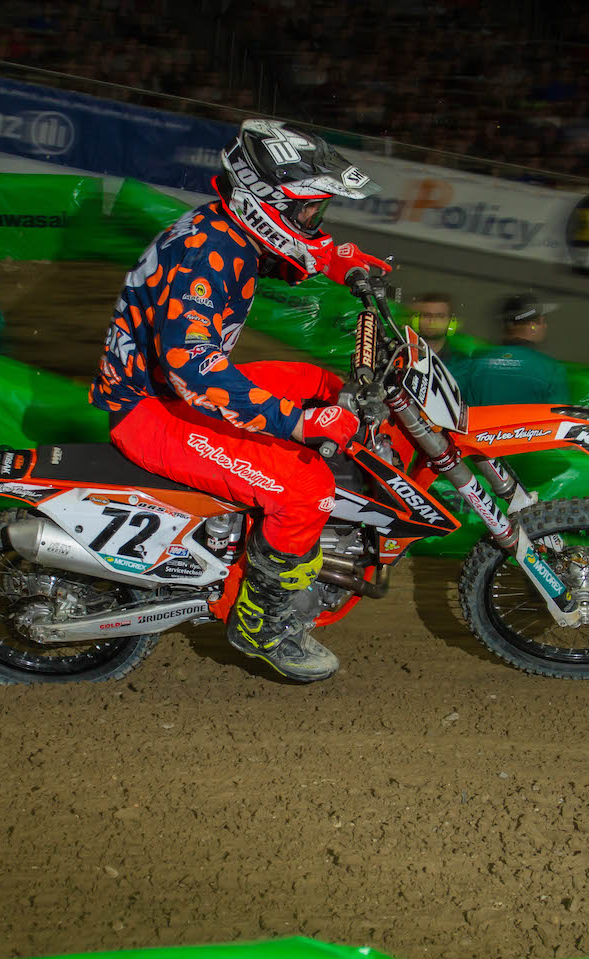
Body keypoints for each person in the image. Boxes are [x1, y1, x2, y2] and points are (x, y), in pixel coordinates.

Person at [88, 119, 390, 683]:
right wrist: (296, 424)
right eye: (309, 211)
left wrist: (335, 259)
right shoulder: (210, 256)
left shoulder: (226, 227)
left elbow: (286, 254)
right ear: (267, 203)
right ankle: (261, 625)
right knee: (304, 488)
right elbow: (192, 369)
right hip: (154, 408)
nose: (315, 221)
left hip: (170, 389)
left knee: (315, 381)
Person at [455, 292, 569, 406]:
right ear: (533, 326)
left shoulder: (476, 363)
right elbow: (558, 413)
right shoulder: (551, 370)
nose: (545, 326)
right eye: (542, 321)